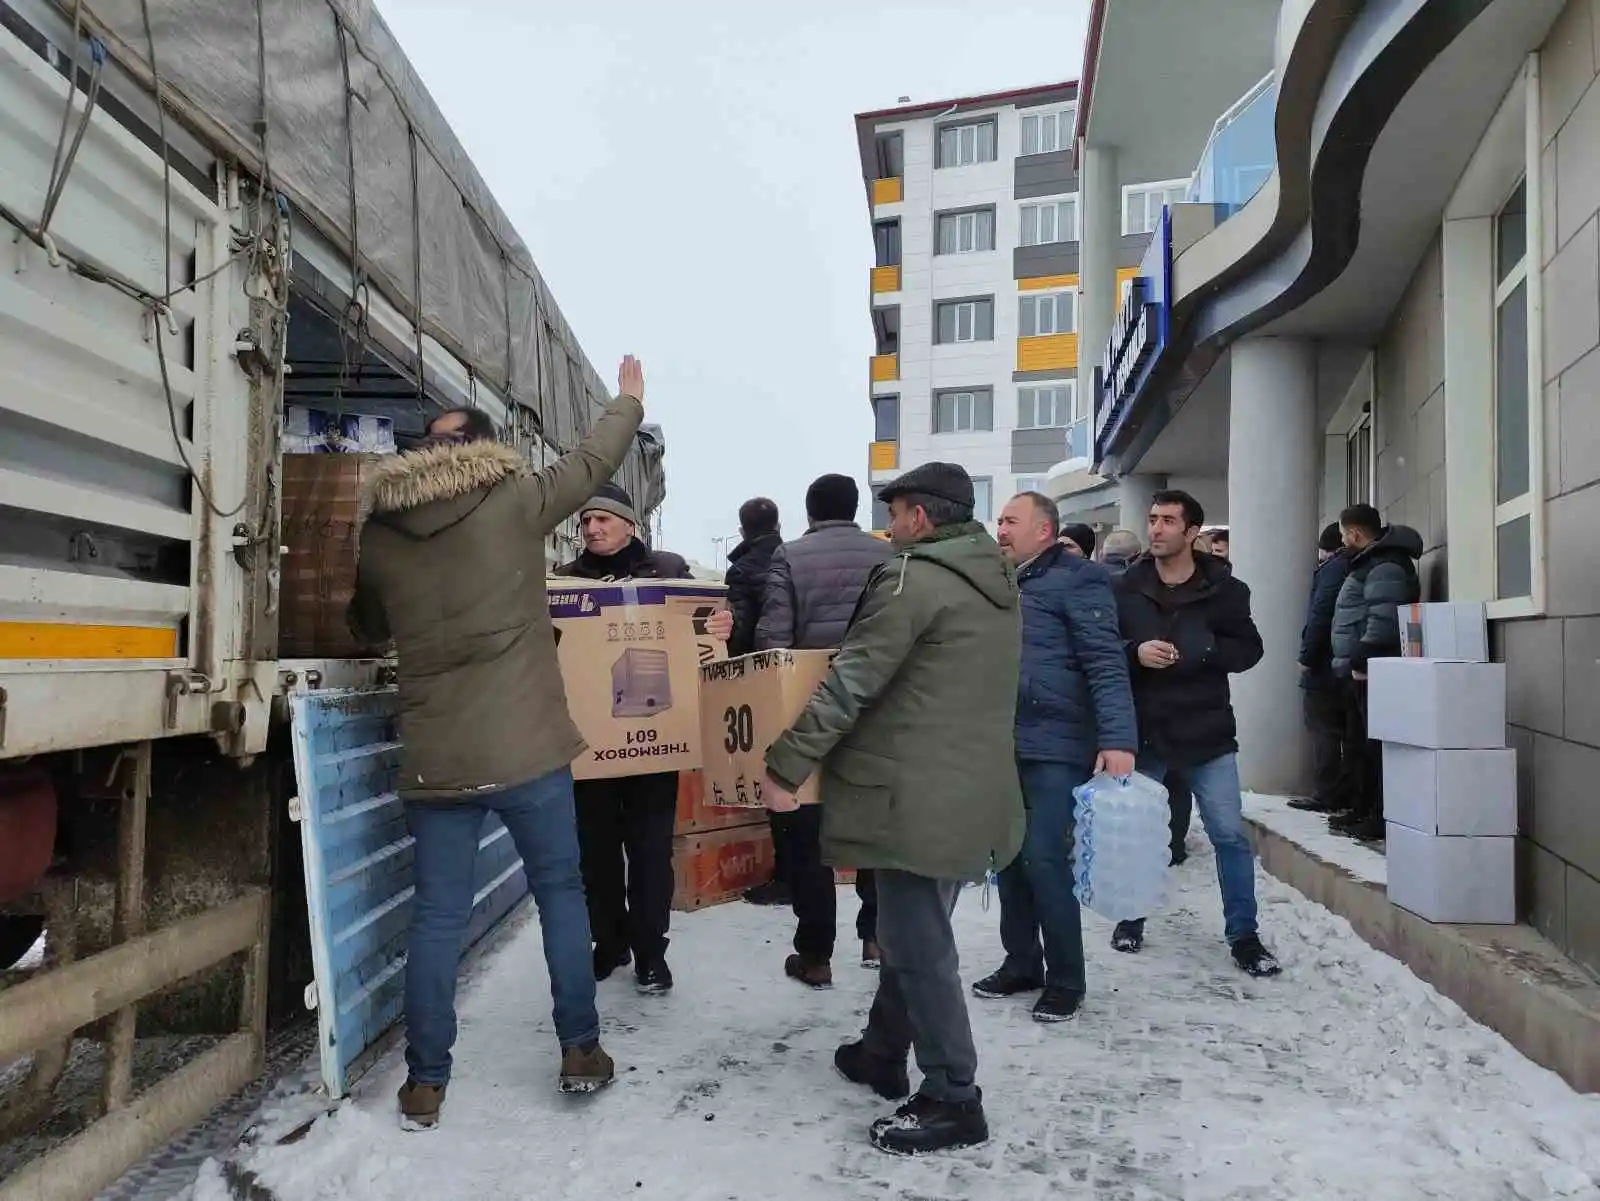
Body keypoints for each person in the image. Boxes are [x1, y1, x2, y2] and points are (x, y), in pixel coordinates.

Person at [348, 357, 649, 1128]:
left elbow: (365, 626)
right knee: (560, 894)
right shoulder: (514, 499)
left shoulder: (380, 536)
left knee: (437, 917)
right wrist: (628, 399)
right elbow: (592, 463)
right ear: (485, 450)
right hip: (528, 752)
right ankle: (581, 1048)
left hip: (438, 761)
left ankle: (425, 1084)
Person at [761, 462, 1022, 1156]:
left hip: (916, 793)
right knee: (916, 927)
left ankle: (953, 1095)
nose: (891, 525)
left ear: (924, 518)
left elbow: (852, 680)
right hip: (971, 787)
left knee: (918, 943)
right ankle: (881, 1050)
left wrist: (786, 763)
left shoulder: (913, 579)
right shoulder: (995, 579)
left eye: (898, 511)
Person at [553, 485, 733, 994]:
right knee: (597, 853)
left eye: (604, 519)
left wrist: (721, 625)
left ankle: (652, 952)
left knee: (651, 852)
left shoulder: (669, 571)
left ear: (630, 524)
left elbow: (709, 628)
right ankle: (609, 942)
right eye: (586, 521)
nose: (592, 529)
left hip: (655, 747)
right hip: (590, 747)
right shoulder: (563, 583)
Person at [973, 493, 1136, 1024]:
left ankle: (1067, 979)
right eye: (999, 520)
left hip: (1058, 742)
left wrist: (1118, 740)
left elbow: (1106, 662)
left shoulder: (1078, 578)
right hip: (1004, 742)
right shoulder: (1004, 580)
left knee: (1044, 858)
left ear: (1044, 530)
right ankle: (1022, 963)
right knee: (1011, 859)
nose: (1001, 528)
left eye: (1010, 521)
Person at [1110, 490, 1280, 977]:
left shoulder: (1227, 591)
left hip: (1206, 732)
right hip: (1146, 730)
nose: (1157, 529)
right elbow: (1103, 649)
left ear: (1191, 533)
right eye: (1153, 519)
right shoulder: (1126, 587)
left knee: (1229, 835)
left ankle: (1244, 935)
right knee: (1141, 836)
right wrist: (1134, 652)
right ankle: (1130, 917)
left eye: (1168, 521)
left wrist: (1200, 649)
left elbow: (1249, 650)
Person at [754, 473, 893, 984]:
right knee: (873, 827)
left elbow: (774, 641)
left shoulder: (790, 556)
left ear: (809, 511)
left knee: (806, 837)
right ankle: (876, 935)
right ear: (855, 508)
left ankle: (815, 956)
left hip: (810, 711)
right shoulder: (887, 556)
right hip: (876, 711)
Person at [1328, 505, 1421, 842]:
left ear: (1355, 533)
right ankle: (1363, 807)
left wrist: (1361, 659)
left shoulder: (1384, 566)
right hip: (1365, 668)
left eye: (1342, 534)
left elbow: (1382, 620)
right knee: (1358, 743)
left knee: (1374, 746)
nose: (1341, 541)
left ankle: (1379, 815)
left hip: (1373, 670)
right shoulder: (1374, 562)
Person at [1290, 523, 1355, 815]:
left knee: (1323, 731)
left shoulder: (1332, 569)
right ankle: (1348, 791)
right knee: (1348, 732)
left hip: (1325, 665)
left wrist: (1306, 655)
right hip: (1350, 664)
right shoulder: (1361, 565)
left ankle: (1327, 794)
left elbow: (1320, 614)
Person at [723, 497, 782, 658]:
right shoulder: (796, 559)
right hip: (801, 657)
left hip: (760, 662)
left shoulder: (739, 571)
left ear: (742, 532)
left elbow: (740, 632)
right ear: (778, 527)